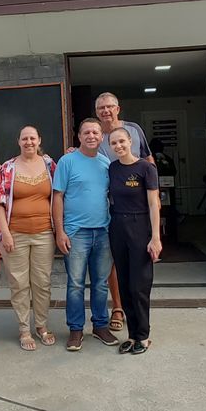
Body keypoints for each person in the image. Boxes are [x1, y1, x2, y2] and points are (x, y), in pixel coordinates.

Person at [52, 117, 117, 352]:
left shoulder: (106, 163)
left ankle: (100, 326)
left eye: (95, 133)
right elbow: (57, 197)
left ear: (102, 137)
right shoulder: (67, 161)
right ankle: (76, 330)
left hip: (103, 231)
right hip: (76, 232)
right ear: (79, 137)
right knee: (76, 284)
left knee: (100, 284)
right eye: (86, 132)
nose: (91, 136)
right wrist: (60, 232)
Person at [0, 126, 57, 351]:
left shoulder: (50, 166)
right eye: (24, 138)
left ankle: (41, 325)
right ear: (18, 141)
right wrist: (5, 233)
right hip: (15, 234)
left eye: (33, 138)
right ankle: (24, 329)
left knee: (42, 282)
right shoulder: (8, 168)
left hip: (44, 233)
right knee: (18, 283)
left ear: (39, 141)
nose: (29, 142)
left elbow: (59, 196)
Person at [94, 92, 154, 332]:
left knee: (138, 268)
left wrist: (153, 192)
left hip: (138, 208)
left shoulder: (134, 129)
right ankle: (118, 308)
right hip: (111, 209)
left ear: (118, 108)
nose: (106, 111)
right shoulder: (95, 134)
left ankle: (139, 322)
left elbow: (148, 159)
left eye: (109, 107)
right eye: (101, 108)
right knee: (114, 263)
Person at [107, 126, 162, 355]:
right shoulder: (112, 168)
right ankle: (131, 335)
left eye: (122, 141)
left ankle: (144, 335)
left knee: (140, 285)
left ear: (131, 141)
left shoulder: (146, 168)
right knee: (125, 283)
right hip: (117, 226)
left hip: (140, 227)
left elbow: (153, 204)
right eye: (114, 143)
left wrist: (155, 237)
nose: (118, 146)